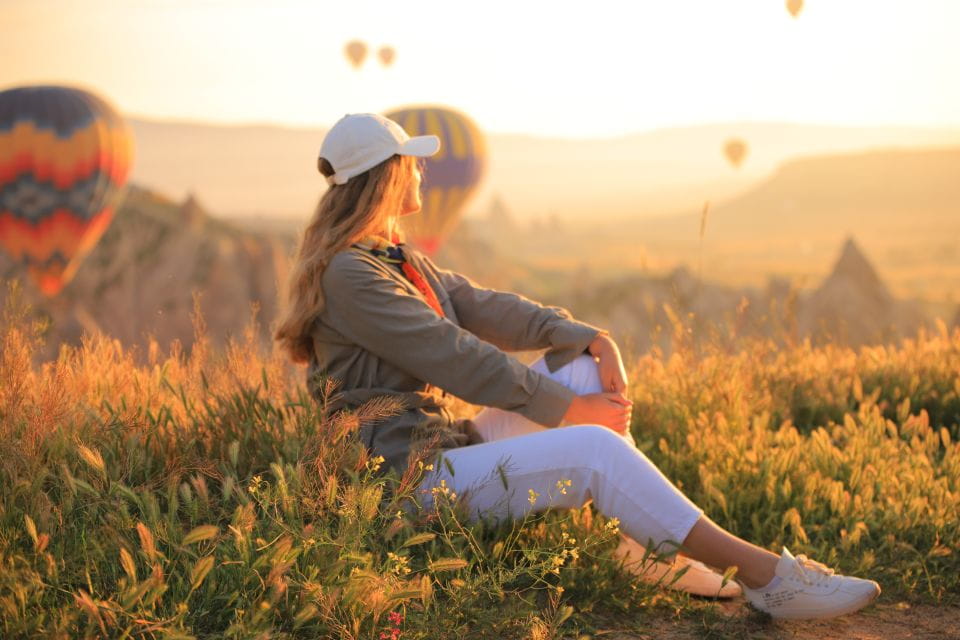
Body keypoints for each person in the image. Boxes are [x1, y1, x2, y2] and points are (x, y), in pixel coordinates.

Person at [274, 113, 880, 620]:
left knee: (584, 371)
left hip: (439, 446)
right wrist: (570, 410)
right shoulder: (351, 274)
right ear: (385, 176)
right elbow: (456, 357)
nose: (420, 170)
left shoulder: (393, 258)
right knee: (593, 448)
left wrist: (588, 337)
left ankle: (643, 550)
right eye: (411, 161)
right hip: (400, 483)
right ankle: (768, 578)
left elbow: (483, 306)